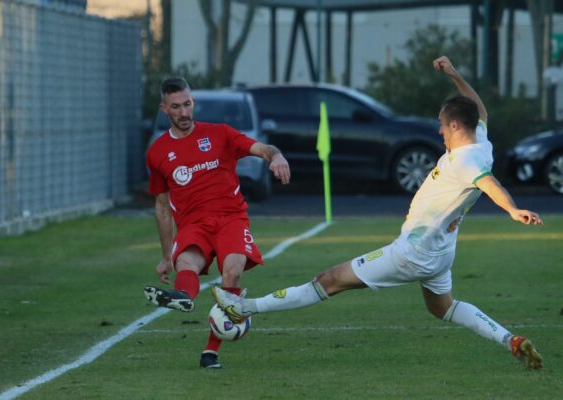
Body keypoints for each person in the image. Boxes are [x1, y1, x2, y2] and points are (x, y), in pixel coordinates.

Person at [213, 56, 544, 370]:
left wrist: (512, 209)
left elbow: (489, 183)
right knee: (444, 308)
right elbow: (479, 108)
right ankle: (510, 340)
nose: (439, 131)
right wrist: (454, 74)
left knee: (328, 281)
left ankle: (244, 308)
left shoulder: (466, 160)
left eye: (442, 125)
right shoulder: (481, 143)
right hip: (440, 253)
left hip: (412, 254)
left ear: (456, 125)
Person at [144, 77, 290, 369]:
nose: (184, 113)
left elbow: (264, 148)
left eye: (187, 104)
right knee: (185, 262)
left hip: (231, 220)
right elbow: (161, 207)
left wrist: (277, 157)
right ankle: (183, 297)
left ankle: (211, 351)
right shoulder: (158, 152)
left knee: (232, 274)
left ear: (193, 102)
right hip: (194, 225)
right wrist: (164, 257)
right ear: (164, 109)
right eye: (176, 107)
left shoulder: (220, 134)